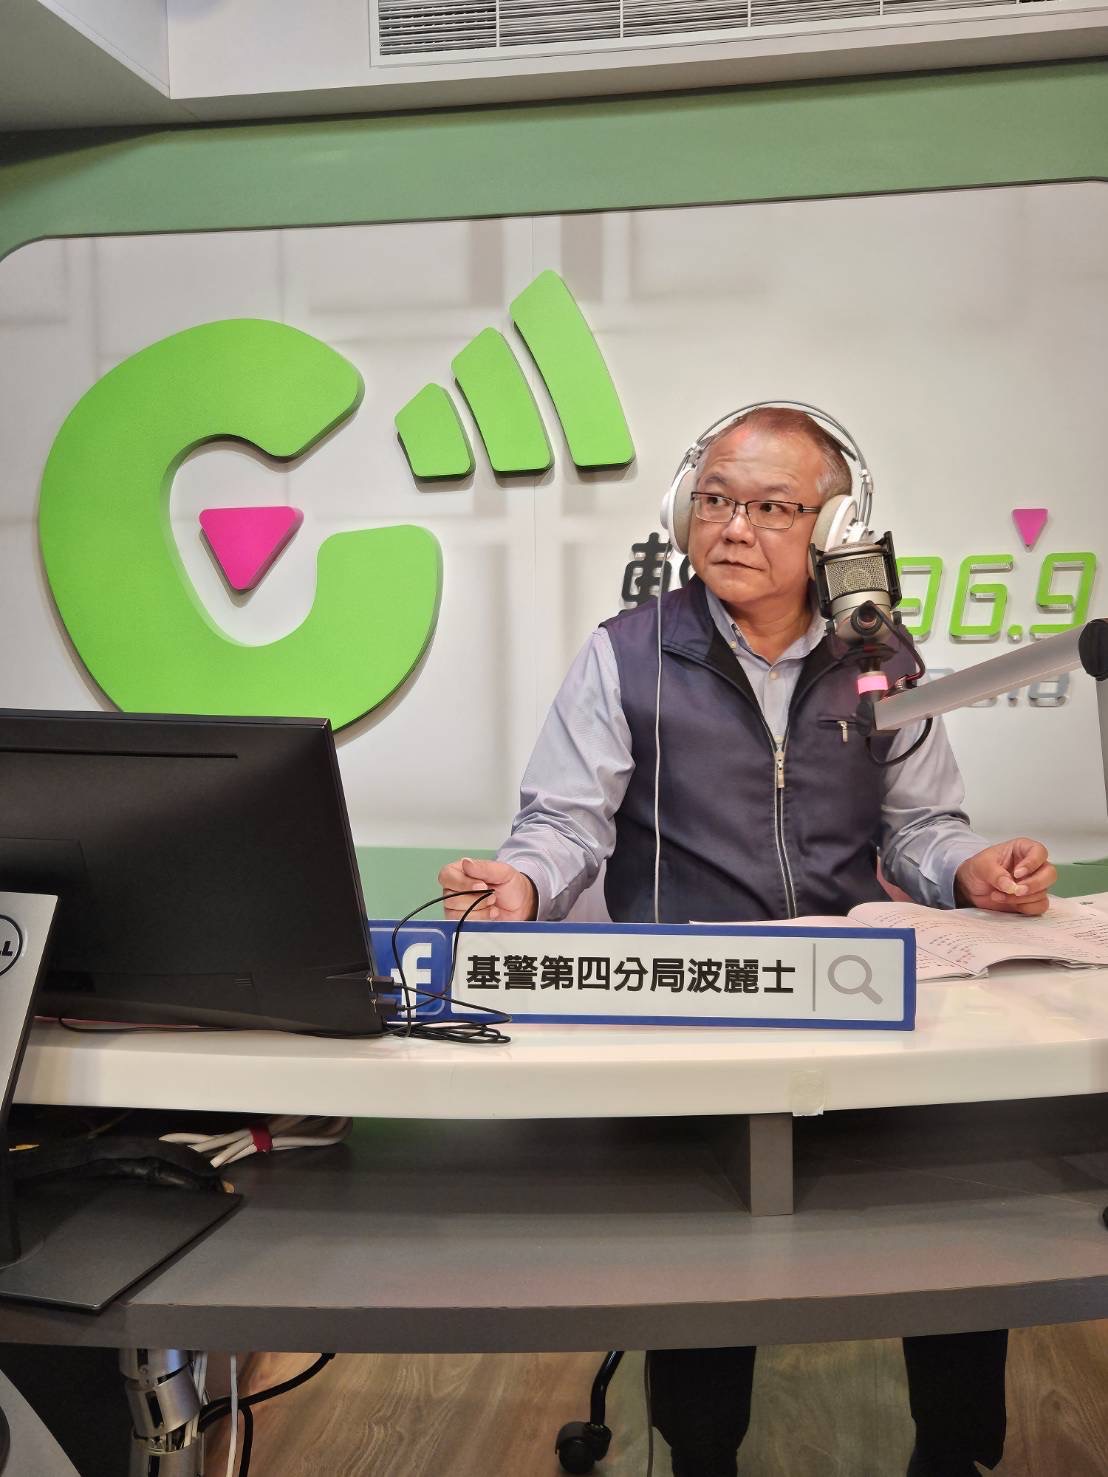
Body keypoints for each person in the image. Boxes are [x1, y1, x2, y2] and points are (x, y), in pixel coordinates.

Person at [438, 406, 1056, 1477]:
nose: (732, 526)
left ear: (834, 530)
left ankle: (953, 1454)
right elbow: (565, 822)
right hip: (691, 1006)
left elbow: (919, 826)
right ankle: (700, 1455)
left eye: (771, 507)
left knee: (949, 1210)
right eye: (716, 498)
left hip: (856, 992)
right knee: (705, 1254)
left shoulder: (879, 658)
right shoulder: (627, 652)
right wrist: (522, 884)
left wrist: (968, 870)